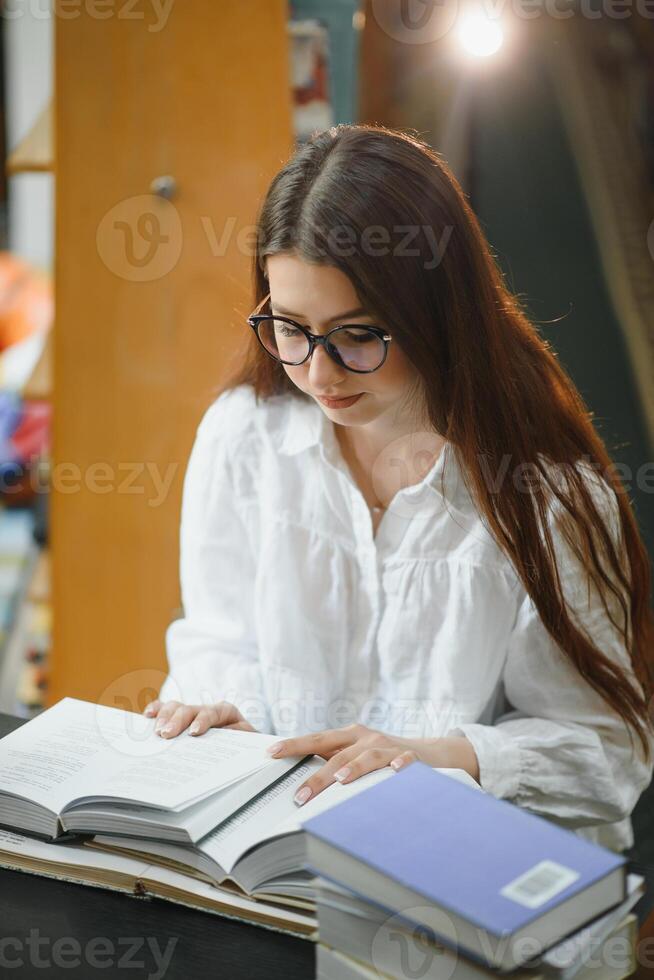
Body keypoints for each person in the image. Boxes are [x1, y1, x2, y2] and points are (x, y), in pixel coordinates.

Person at [144, 124, 654, 852]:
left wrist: (440, 758)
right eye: (290, 329)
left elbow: (607, 756)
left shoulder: (545, 499)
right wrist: (227, 712)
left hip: (470, 869)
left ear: (437, 317)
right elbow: (218, 635)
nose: (320, 373)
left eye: (358, 335)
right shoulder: (243, 436)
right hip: (281, 856)